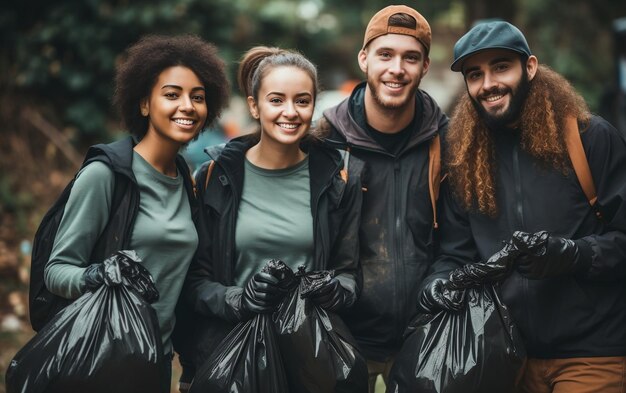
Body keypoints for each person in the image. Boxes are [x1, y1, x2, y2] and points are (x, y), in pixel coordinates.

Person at [418, 21, 626, 392]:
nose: (488, 84)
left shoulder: (589, 137)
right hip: (503, 357)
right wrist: (437, 283)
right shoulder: (462, 154)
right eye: (475, 74)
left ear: (529, 67)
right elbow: (455, 251)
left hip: (591, 351)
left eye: (501, 67)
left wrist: (573, 254)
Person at [43, 34, 229, 392]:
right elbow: (57, 271)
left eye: (198, 97)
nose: (187, 105)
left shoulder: (187, 181)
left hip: (155, 363)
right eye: (172, 94)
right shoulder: (106, 175)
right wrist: (99, 274)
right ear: (144, 103)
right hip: (98, 360)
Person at [184, 46, 365, 382]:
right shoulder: (214, 178)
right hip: (234, 358)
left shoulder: (338, 180)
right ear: (254, 105)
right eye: (277, 100)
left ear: (314, 105)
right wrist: (239, 297)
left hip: (309, 359)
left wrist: (335, 291)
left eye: (302, 100)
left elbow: (349, 273)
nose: (290, 112)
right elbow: (194, 282)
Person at [316, 5, 449, 391]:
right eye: (385, 55)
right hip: (342, 334)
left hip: (424, 334)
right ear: (364, 59)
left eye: (411, 58)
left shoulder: (448, 142)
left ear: (424, 66)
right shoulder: (326, 141)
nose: (397, 69)